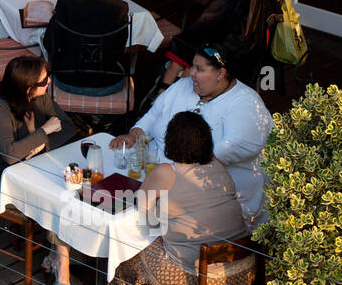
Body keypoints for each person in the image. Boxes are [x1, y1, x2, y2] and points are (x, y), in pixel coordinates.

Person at [104, 112, 251, 285]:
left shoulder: (166, 172)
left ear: (170, 142)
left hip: (198, 283)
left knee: (127, 252)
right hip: (242, 274)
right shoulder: (219, 167)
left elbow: (143, 214)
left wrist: (165, 217)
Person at [111, 44, 272, 228]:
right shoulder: (183, 85)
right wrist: (134, 134)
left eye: (199, 69)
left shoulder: (246, 104)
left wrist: (169, 175)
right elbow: (153, 115)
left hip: (208, 199)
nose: (191, 73)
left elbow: (230, 149)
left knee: (131, 217)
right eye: (192, 66)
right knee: (112, 188)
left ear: (221, 74)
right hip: (155, 175)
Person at [0, 55, 78, 199]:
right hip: (0, 182)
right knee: (59, 198)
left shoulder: (41, 98)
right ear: (28, 88)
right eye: (43, 81)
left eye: (48, 75)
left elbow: (68, 127)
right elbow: (9, 154)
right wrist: (45, 131)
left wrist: (42, 144)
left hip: (34, 171)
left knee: (72, 190)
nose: (49, 81)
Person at [42, 0, 129, 95]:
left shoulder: (66, 2)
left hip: (68, 79)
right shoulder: (120, 7)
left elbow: (50, 43)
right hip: (110, 82)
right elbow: (119, 47)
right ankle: (100, 116)